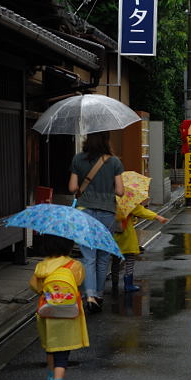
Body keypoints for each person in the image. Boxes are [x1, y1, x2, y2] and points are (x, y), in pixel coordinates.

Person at [29, 234, 89, 380]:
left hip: (48, 314)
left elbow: (35, 287)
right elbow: (79, 282)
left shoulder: (41, 267)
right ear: (69, 246)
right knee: (62, 354)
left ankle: (50, 379)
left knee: (51, 347)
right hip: (68, 315)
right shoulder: (74, 265)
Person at [68, 131, 124, 313]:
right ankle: (99, 295)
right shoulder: (114, 162)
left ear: (88, 139)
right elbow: (120, 191)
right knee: (103, 257)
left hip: (84, 212)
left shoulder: (78, 159)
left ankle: (90, 295)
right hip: (107, 212)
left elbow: (72, 188)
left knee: (88, 257)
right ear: (106, 141)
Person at [111, 203, 168, 293]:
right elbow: (142, 211)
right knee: (129, 260)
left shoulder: (109, 200)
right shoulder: (127, 202)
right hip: (126, 236)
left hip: (113, 235)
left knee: (115, 261)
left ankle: (114, 283)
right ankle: (128, 284)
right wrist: (157, 217)